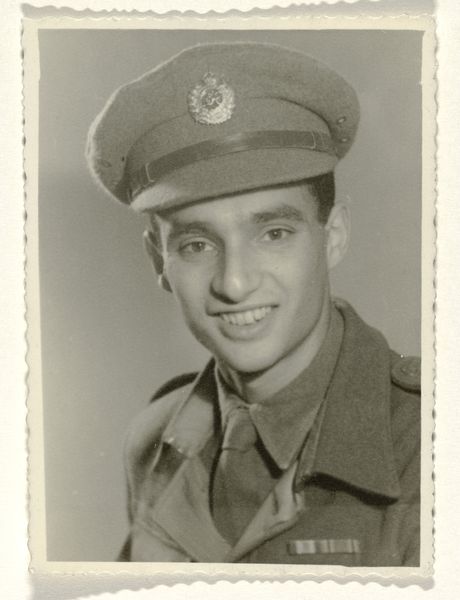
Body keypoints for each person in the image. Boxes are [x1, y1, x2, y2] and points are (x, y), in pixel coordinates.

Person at [86, 41, 420, 565]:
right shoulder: (155, 441)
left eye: (274, 233)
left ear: (333, 236)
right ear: (158, 261)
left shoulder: (431, 446)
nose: (235, 283)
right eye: (197, 245)